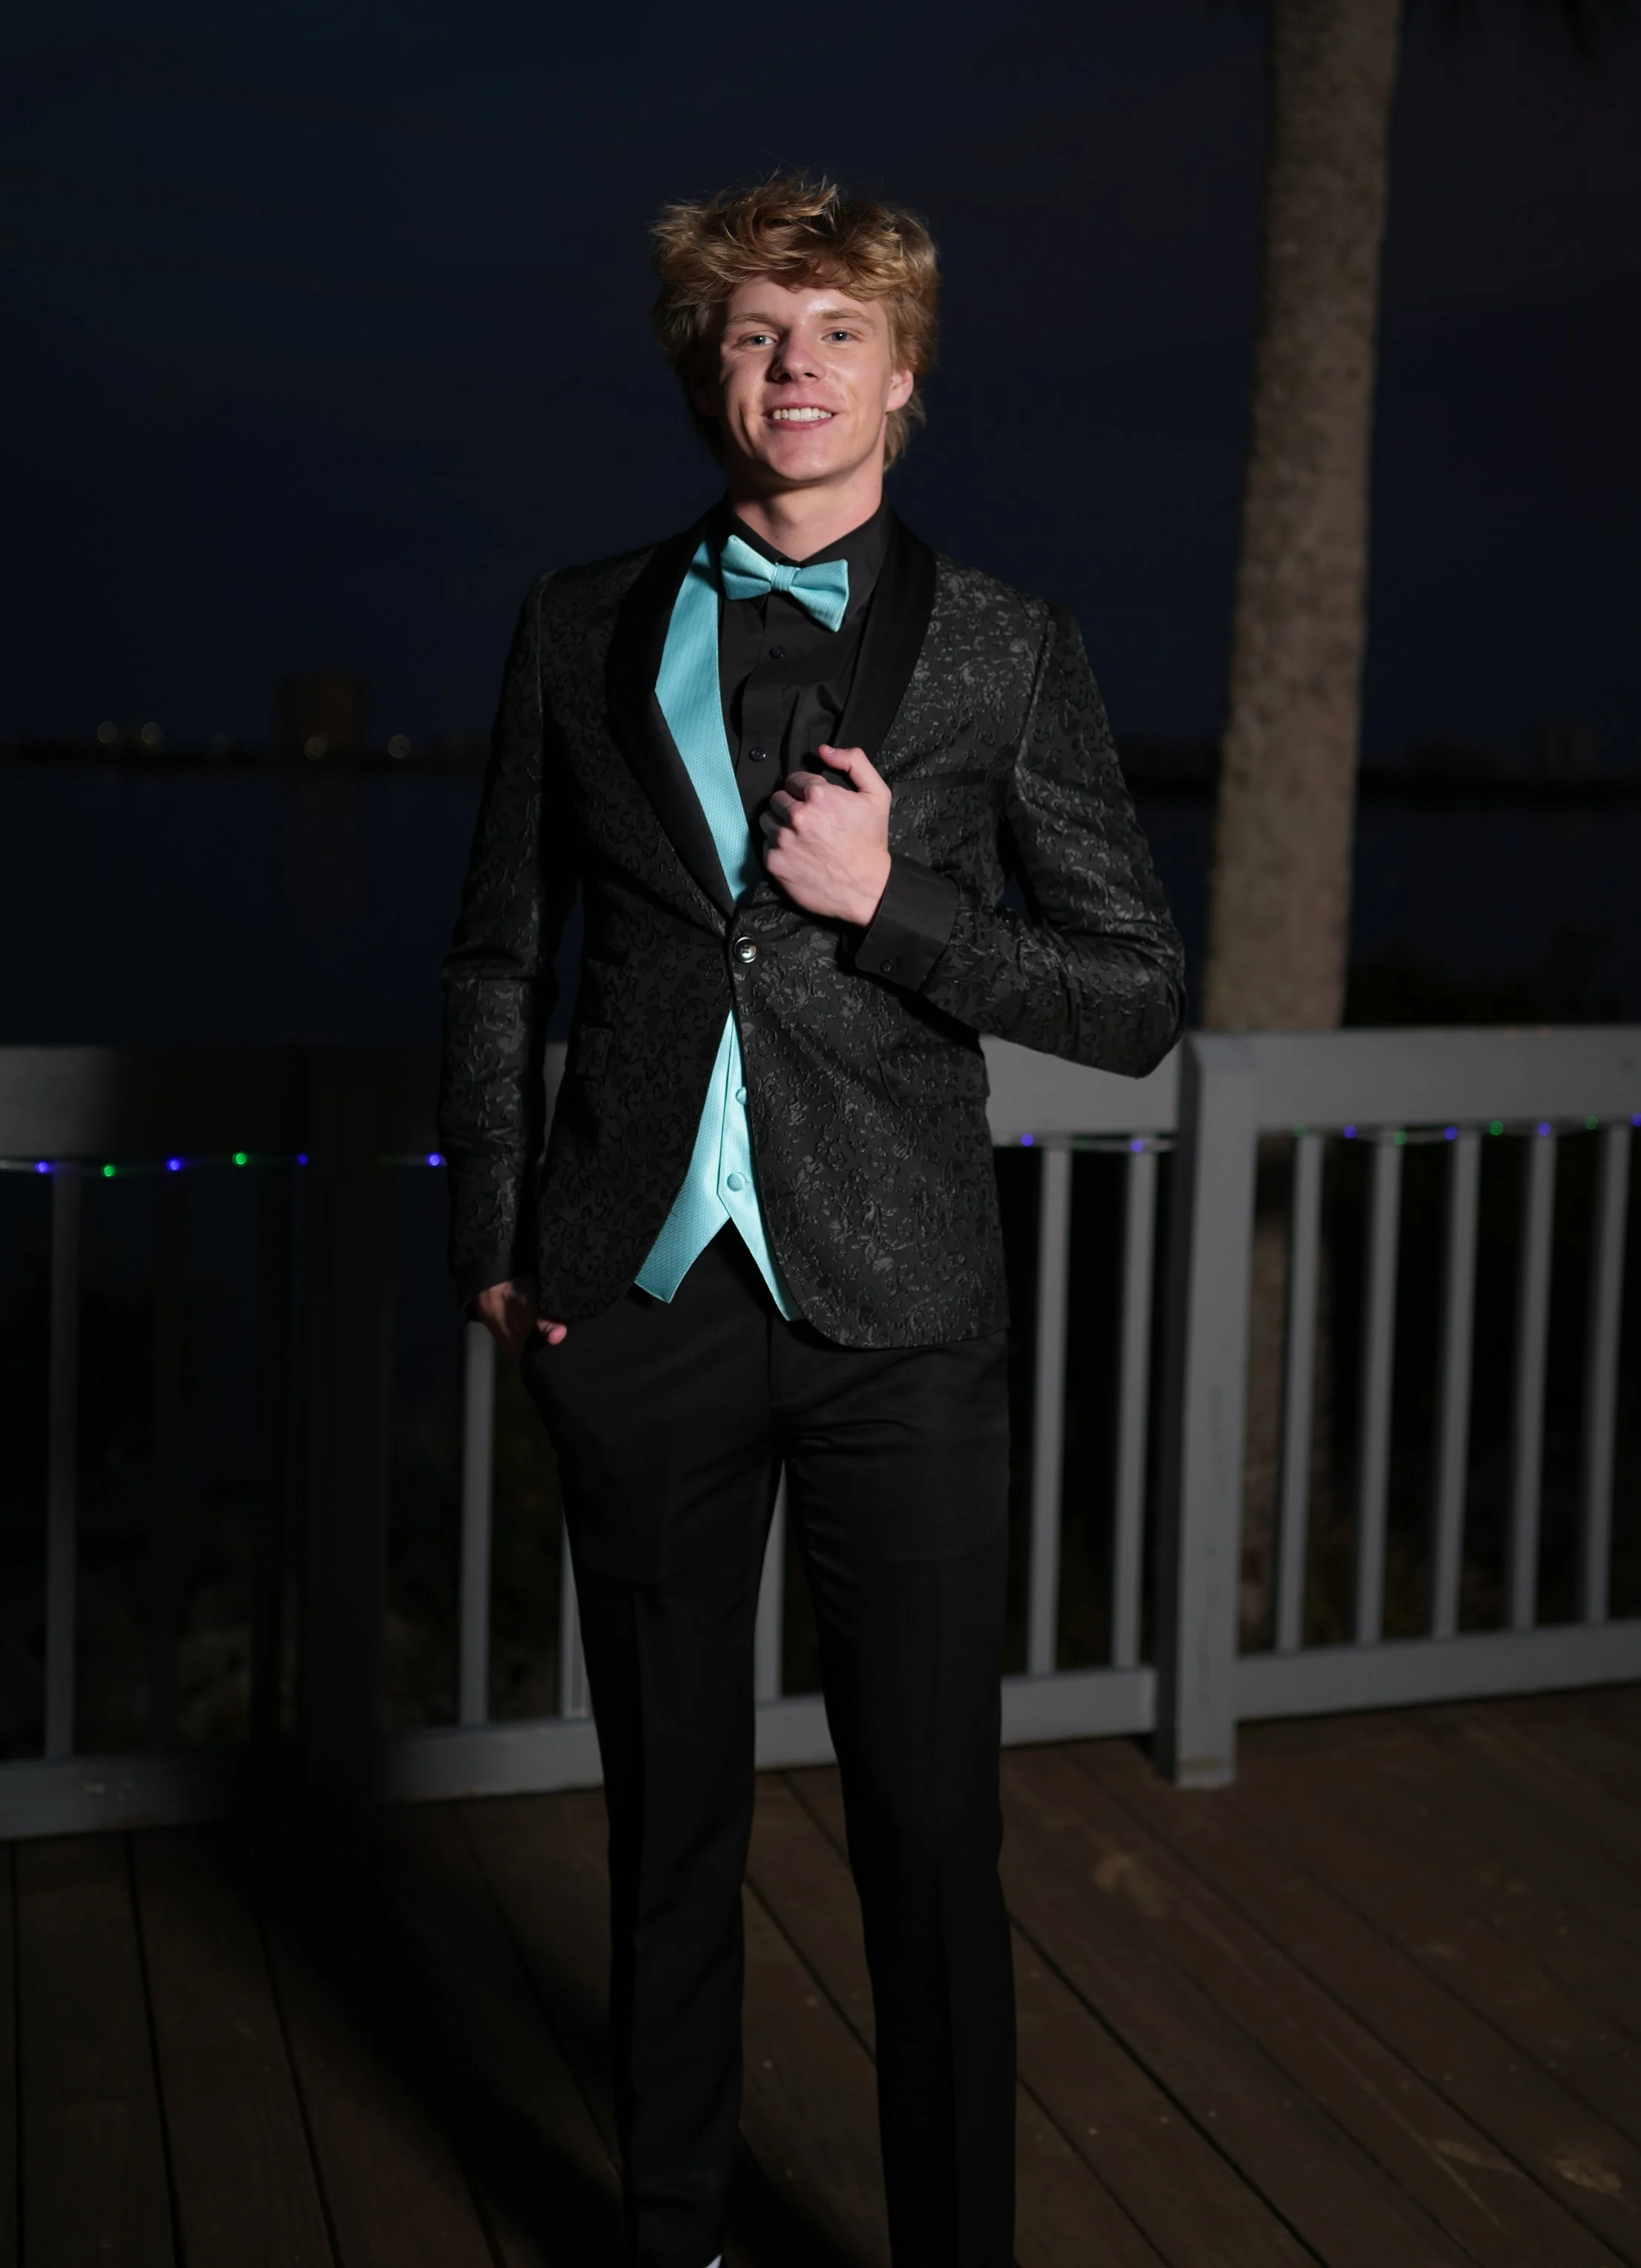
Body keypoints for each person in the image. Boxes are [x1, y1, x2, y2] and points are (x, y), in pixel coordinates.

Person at [439, 174, 1184, 2268]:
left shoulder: (1010, 650)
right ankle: (669, 2229)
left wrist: (906, 907)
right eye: (757, 332)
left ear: (904, 375)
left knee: (928, 1841)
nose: (794, 368)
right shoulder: (574, 625)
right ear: (711, 369)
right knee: (665, 1829)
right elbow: (499, 955)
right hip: (639, 1303)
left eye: (836, 333)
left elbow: (1133, 998)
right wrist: (496, 1232)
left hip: (902, 1324)